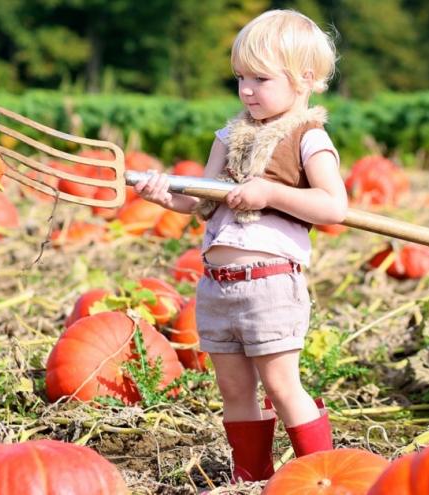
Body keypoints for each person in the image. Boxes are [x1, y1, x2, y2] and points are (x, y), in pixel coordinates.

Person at [133, 9, 346, 483]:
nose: (247, 89)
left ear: (305, 80)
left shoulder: (308, 138)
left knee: (281, 384)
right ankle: (251, 480)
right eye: (240, 78)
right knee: (232, 388)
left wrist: (268, 192)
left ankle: (322, 477)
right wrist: (163, 194)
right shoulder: (229, 137)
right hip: (217, 287)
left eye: (261, 78)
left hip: (269, 286)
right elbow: (199, 200)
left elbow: (334, 206)